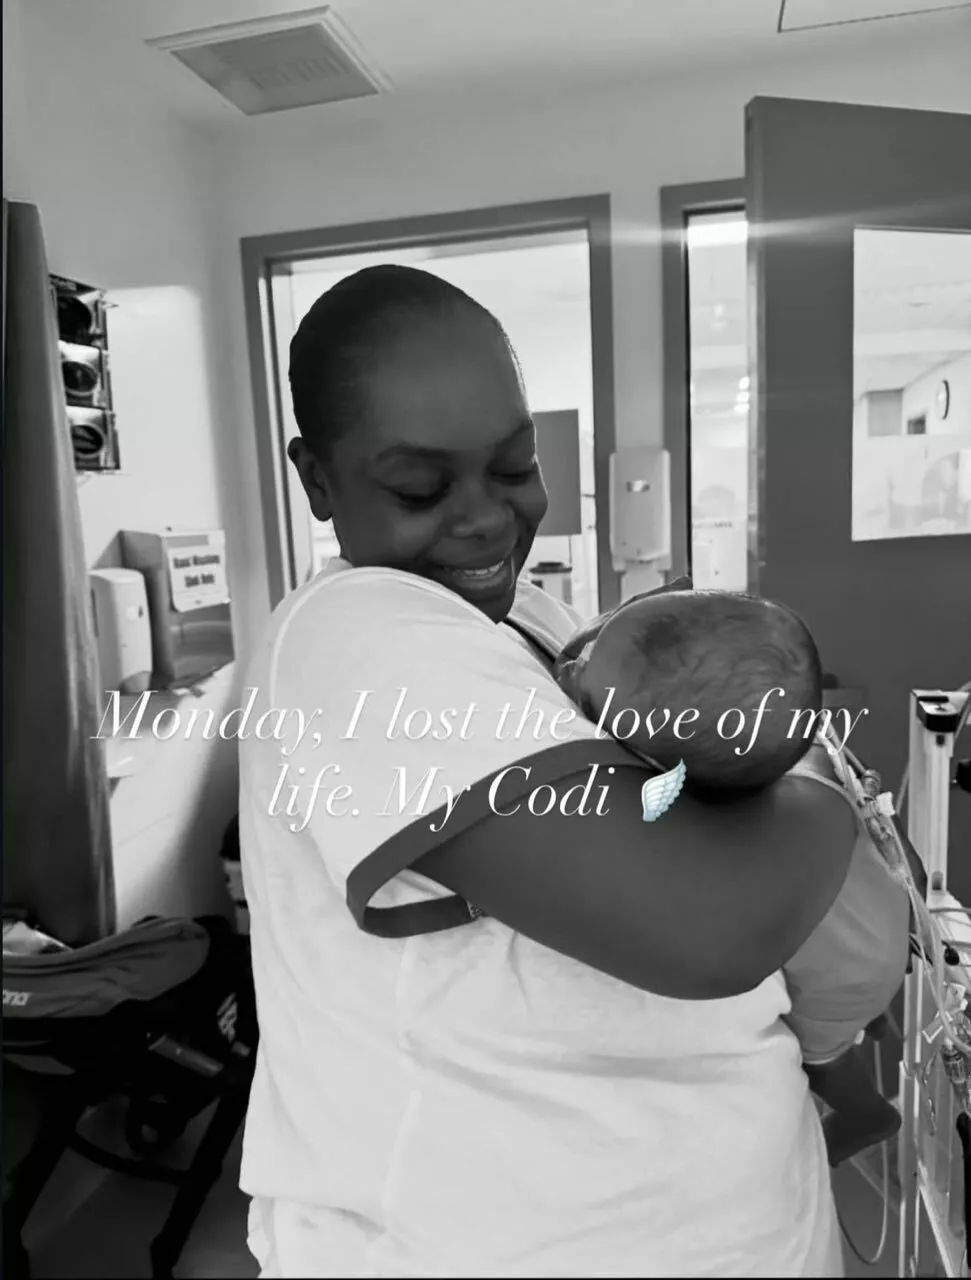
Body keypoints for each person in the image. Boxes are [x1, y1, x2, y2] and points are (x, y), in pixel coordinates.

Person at [237, 265, 888, 1277]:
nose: (484, 518)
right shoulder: (350, 631)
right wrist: (814, 782)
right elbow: (707, 923)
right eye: (418, 488)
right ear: (317, 480)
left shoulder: (535, 621)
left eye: (513, 466)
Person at [554, 587, 909, 1167]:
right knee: (860, 996)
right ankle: (871, 1021)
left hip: (847, 969)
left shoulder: (693, 814)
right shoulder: (800, 767)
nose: (571, 670)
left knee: (823, 1058)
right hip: (877, 919)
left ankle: (868, 1116)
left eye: (588, 684)